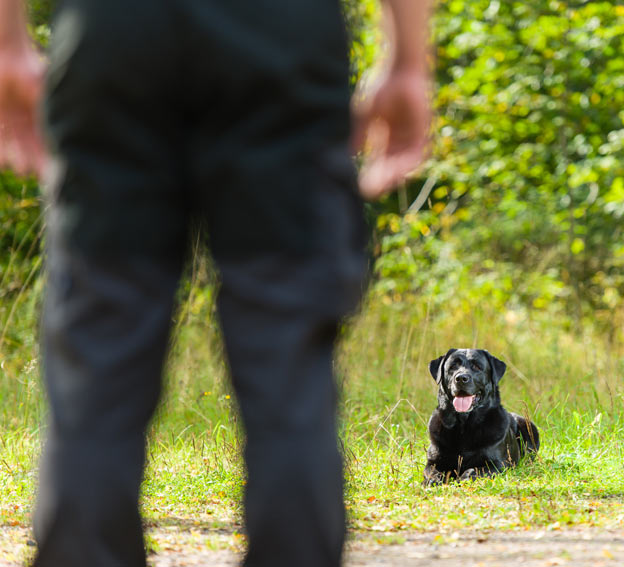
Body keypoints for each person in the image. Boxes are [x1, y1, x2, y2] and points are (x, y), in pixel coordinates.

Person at [0, 0, 431, 566]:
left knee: (101, 342)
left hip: (117, 33)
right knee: (286, 342)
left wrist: (8, 42)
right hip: (279, 38)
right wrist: (406, 60)